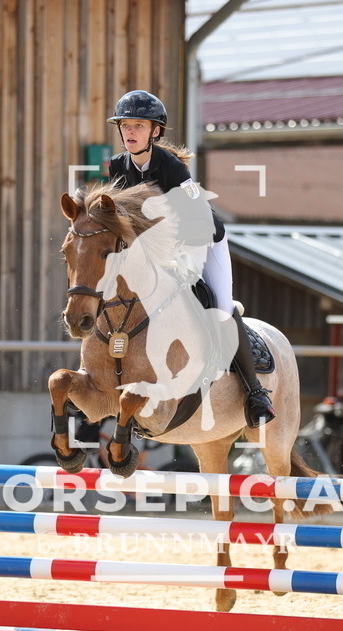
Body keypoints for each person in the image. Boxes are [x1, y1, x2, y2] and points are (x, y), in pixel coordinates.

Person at [104, 89, 275, 427]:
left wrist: (176, 258)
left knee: (220, 307)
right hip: (158, 249)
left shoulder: (171, 169)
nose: (130, 132)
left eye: (139, 125)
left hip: (202, 241)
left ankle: (256, 393)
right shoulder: (118, 167)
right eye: (125, 125)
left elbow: (198, 220)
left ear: (155, 131)